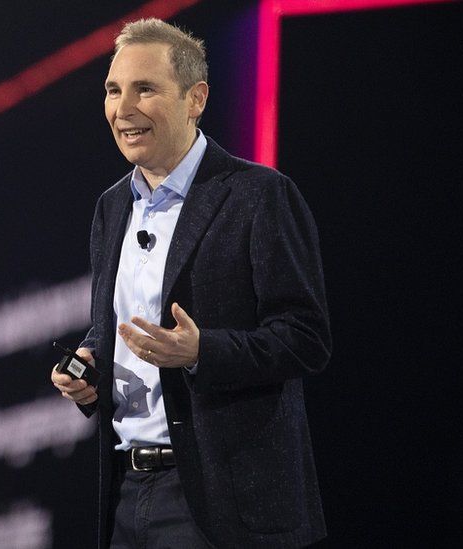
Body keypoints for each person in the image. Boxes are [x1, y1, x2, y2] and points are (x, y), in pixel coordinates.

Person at [51, 18, 331, 548]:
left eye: (145, 89)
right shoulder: (111, 207)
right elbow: (113, 329)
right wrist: (90, 364)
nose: (123, 108)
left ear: (195, 99)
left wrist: (202, 352)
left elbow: (306, 338)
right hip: (126, 493)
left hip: (222, 500)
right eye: (113, 90)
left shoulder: (258, 194)